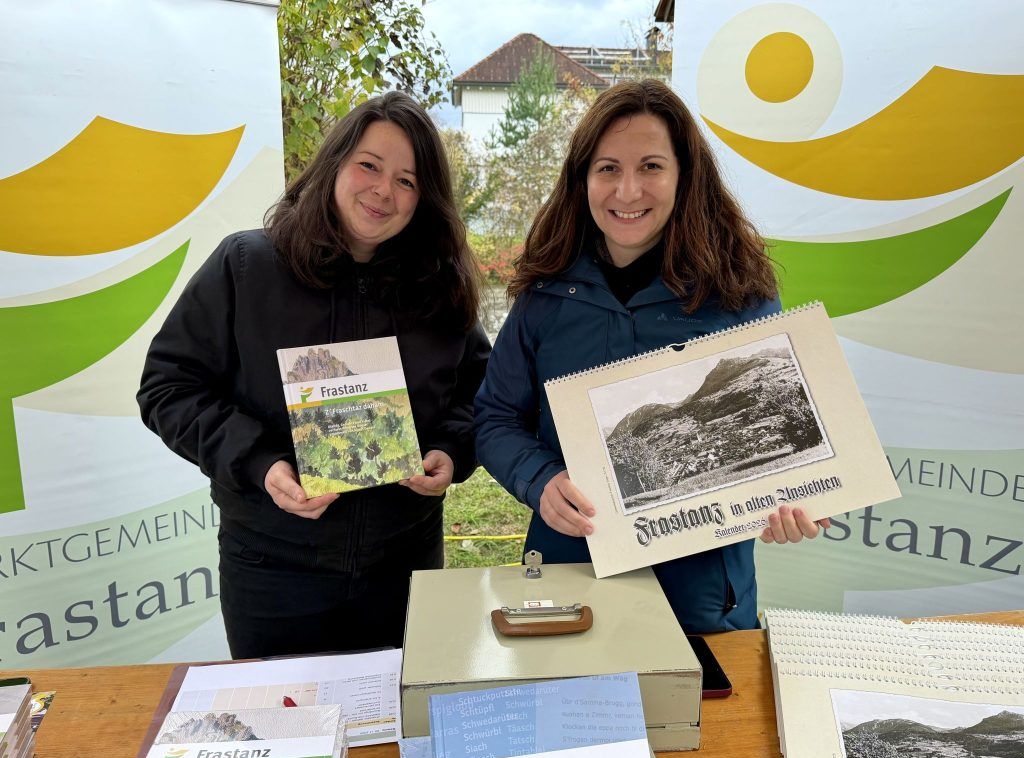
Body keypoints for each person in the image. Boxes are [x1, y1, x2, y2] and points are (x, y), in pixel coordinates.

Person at [138, 92, 490, 658]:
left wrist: (451, 450)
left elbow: (481, 396)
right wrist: (260, 461)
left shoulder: (438, 288)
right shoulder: (247, 267)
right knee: (283, 730)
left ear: (425, 199)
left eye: (407, 180)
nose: (383, 190)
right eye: (369, 166)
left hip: (405, 563)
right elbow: (168, 387)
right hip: (272, 568)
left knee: (398, 731)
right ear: (335, 164)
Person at [474, 79, 827, 634]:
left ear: (686, 176)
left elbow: (791, 430)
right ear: (582, 179)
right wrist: (540, 480)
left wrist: (794, 494)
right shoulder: (544, 296)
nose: (628, 190)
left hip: (703, 603)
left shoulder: (739, 292)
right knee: (578, 717)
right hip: (572, 581)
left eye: (652, 167)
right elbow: (494, 418)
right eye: (608, 167)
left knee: (706, 723)